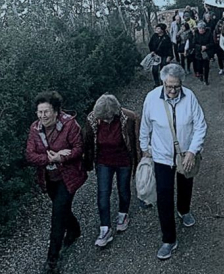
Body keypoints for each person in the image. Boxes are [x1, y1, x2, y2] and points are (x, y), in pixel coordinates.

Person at [139, 64, 207, 260]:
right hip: (161, 157)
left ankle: (184, 210)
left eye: (176, 87)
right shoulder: (151, 98)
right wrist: (145, 149)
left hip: (186, 154)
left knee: (186, 185)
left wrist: (192, 152)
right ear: (163, 83)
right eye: (168, 86)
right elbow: (145, 125)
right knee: (164, 196)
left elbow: (200, 125)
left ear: (181, 84)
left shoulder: (190, 97)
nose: (172, 91)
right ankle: (169, 239)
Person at [26, 91, 87, 274]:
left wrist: (63, 157)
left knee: (57, 214)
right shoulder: (35, 129)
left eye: (46, 112)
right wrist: (50, 159)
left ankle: (52, 260)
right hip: (48, 178)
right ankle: (75, 229)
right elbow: (29, 155)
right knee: (61, 208)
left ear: (56, 112)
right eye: (39, 112)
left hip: (68, 176)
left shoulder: (69, 125)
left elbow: (78, 148)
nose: (42, 116)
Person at [84, 94, 141, 248]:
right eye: (104, 118)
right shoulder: (92, 119)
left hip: (124, 160)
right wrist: (86, 162)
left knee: (123, 189)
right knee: (103, 193)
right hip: (103, 161)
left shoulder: (128, 118)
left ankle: (123, 214)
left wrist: (140, 160)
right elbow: (87, 143)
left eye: (109, 118)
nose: (106, 121)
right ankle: (105, 229)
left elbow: (136, 141)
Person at [148, 23, 173, 87]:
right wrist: (152, 51)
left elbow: (169, 47)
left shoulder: (166, 37)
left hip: (164, 55)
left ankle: (163, 82)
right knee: (154, 70)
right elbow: (150, 44)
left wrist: (169, 56)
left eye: (158, 28)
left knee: (163, 69)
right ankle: (156, 83)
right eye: (156, 28)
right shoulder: (154, 36)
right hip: (156, 55)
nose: (156, 29)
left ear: (162, 30)